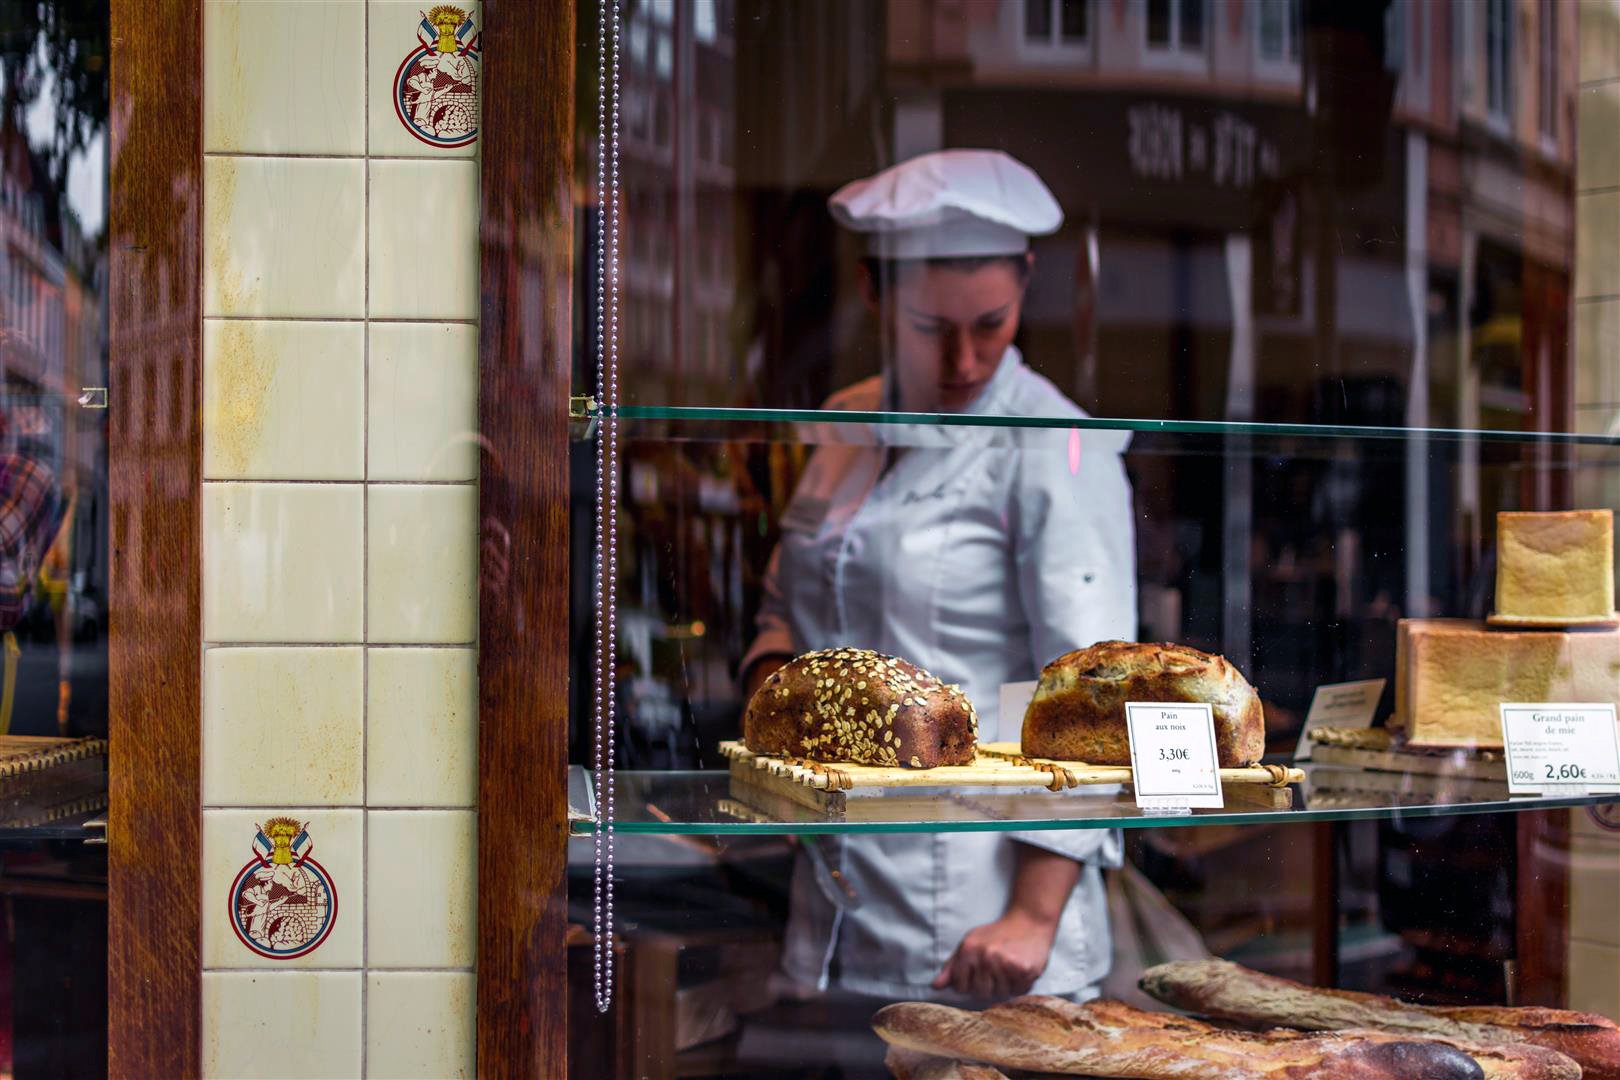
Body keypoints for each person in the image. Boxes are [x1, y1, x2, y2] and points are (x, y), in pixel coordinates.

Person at [741, 149, 1138, 1004]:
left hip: (984, 924)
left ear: (1027, 284)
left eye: (990, 324)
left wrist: (1032, 917)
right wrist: (777, 724)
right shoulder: (845, 422)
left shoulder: (1057, 444)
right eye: (930, 328)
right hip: (836, 903)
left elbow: (1093, 701)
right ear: (874, 293)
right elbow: (787, 605)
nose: (964, 360)